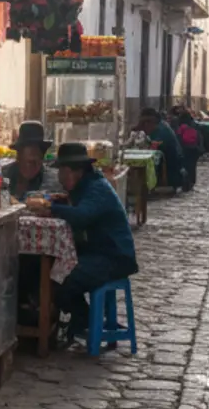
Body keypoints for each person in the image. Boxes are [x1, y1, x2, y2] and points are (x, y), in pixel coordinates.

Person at [26, 143, 138, 344]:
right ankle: (81, 319)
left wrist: (53, 208)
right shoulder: (85, 187)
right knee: (49, 271)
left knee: (59, 278)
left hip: (113, 257)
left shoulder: (97, 188)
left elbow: (82, 215)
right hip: (97, 252)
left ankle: (83, 319)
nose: (59, 177)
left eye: (61, 171)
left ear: (72, 172)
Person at [137, 107, 183, 191]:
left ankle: (149, 184)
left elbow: (156, 145)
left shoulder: (161, 129)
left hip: (171, 159)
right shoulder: (162, 125)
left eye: (145, 123)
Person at [6, 120, 52, 201]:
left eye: (38, 162)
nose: (34, 166)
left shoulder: (51, 181)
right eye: (29, 162)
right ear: (18, 157)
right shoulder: (4, 176)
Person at [170, 106, 203, 192]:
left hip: (185, 148)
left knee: (185, 166)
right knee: (192, 167)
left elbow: (178, 137)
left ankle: (185, 183)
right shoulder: (194, 124)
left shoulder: (180, 125)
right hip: (194, 148)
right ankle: (191, 183)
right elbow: (199, 136)